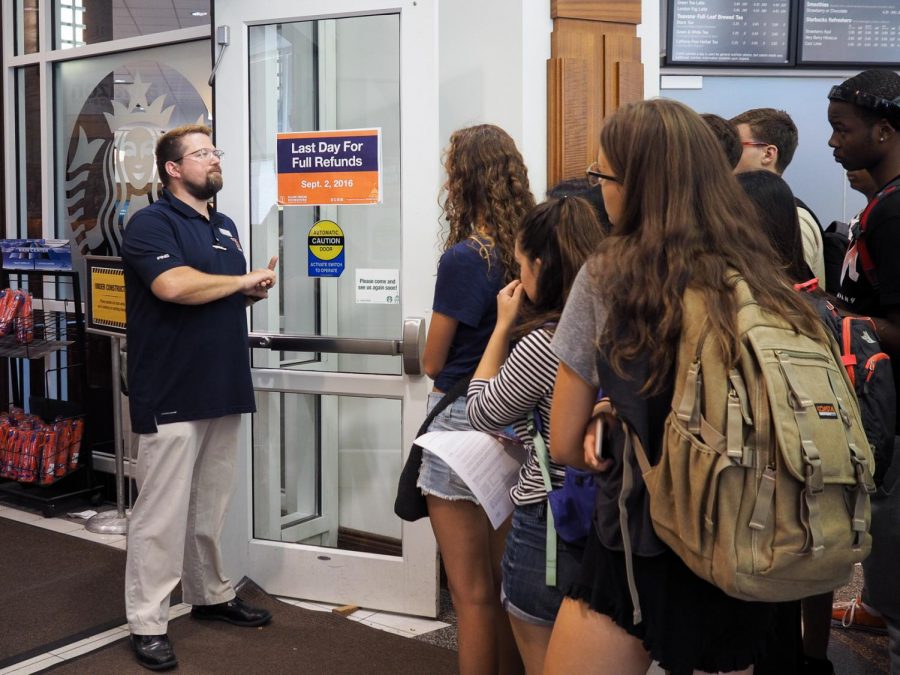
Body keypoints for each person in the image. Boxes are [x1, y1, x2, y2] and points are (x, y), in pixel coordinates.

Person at [543, 99, 823, 675]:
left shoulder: (611, 273)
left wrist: (618, 421)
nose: (600, 191)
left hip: (642, 542)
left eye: (604, 176)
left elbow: (565, 444)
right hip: (750, 536)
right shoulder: (762, 273)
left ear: (639, 183)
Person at [121, 124, 278, 671]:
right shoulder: (149, 223)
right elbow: (172, 287)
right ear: (172, 168)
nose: (214, 160)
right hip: (170, 387)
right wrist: (238, 284)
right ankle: (147, 621)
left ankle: (210, 594)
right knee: (160, 513)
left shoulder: (227, 227)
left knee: (209, 507)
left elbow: (214, 294)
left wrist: (247, 290)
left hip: (223, 380)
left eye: (216, 151)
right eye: (202, 153)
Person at [465, 196, 604, 674]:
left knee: (547, 658)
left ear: (542, 265)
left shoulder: (548, 340)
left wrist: (501, 328)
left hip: (551, 519)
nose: (519, 277)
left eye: (521, 265)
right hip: (611, 512)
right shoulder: (623, 324)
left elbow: (481, 409)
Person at [418, 123, 534, 675]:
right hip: (515, 415)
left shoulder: (466, 258)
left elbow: (433, 362)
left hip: (462, 420)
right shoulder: (529, 248)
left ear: (462, 180)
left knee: (470, 594)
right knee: (506, 584)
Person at [827, 68, 900, 674]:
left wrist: (836, 320)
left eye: (842, 130)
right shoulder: (879, 205)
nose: (833, 143)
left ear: (883, 130)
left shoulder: (895, 213)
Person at [731, 107, 826, 284]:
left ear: (768, 154)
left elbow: (787, 290)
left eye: (736, 146)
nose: (728, 153)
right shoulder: (748, 208)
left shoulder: (794, 218)